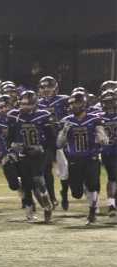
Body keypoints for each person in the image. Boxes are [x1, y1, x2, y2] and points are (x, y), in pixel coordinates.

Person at [57, 91, 108, 225]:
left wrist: (102, 137)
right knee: (77, 193)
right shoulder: (66, 121)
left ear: (84, 103)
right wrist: (64, 132)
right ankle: (85, 199)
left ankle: (92, 211)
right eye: (72, 103)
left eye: (76, 103)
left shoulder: (94, 119)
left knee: (92, 186)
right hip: (74, 160)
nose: (73, 106)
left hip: (91, 158)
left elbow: (104, 138)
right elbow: (59, 144)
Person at [7, 90, 54, 223]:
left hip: (39, 153)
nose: (24, 107)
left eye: (28, 104)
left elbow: (51, 138)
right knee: (26, 183)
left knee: (38, 178)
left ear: (35, 104)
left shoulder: (43, 115)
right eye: (22, 104)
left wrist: (42, 148)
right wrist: (11, 149)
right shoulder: (13, 116)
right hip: (22, 152)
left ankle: (47, 205)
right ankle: (29, 210)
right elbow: (9, 137)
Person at [37, 76, 69, 210]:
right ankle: (52, 197)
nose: (46, 90)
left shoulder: (64, 100)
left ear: (55, 88)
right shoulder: (37, 103)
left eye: (49, 87)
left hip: (62, 138)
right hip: (46, 140)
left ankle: (65, 194)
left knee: (65, 169)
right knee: (46, 169)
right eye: (43, 87)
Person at [98, 89, 117, 217]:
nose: (109, 105)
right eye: (106, 102)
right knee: (113, 176)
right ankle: (111, 204)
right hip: (108, 152)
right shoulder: (98, 117)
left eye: (111, 102)